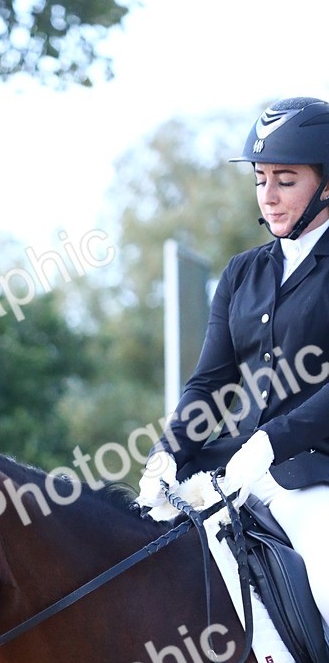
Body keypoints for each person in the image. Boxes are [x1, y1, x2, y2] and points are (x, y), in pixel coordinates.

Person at [138, 96, 329, 630]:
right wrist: (168, 454)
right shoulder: (243, 272)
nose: (268, 196)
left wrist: (270, 442)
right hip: (230, 467)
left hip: (314, 476)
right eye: (260, 180)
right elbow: (210, 384)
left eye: (285, 180)